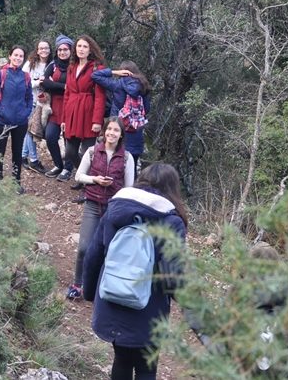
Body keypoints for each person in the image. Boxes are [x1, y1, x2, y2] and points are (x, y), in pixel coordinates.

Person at [82, 163, 188, 380]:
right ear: (172, 188)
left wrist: (90, 292)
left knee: (121, 359)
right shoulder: (171, 221)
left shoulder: (115, 209)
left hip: (111, 298)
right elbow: (172, 275)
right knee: (146, 367)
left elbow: (93, 253)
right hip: (148, 308)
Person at [67, 117, 135, 300]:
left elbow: (129, 189)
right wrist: (94, 180)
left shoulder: (127, 158)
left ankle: (100, 287)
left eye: (116, 130)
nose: (112, 133)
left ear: (121, 135)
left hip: (114, 210)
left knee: (108, 251)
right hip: (92, 204)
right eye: (109, 129)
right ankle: (77, 284)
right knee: (84, 248)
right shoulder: (91, 152)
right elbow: (79, 176)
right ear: (104, 131)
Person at [61, 36, 106, 191]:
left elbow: (100, 97)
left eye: (84, 46)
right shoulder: (71, 67)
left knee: (88, 153)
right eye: (79, 46)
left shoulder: (96, 68)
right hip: (72, 113)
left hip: (88, 114)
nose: (81, 49)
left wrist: (97, 121)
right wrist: (64, 119)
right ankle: (84, 177)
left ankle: (89, 186)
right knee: (70, 152)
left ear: (90, 49)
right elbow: (67, 94)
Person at [0, 45, 34, 194]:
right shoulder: (1, 73)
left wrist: (26, 113)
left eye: (21, 56)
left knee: (17, 152)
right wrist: (2, 112)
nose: (18, 58)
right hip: (1, 121)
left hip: (20, 122)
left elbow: (29, 97)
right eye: (15, 55)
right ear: (10, 56)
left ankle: (15, 183)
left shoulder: (26, 76)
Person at [92, 61, 151, 171]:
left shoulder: (117, 85)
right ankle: (131, 186)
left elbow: (95, 75)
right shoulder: (144, 86)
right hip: (136, 129)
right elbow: (146, 109)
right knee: (132, 165)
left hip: (118, 128)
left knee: (115, 162)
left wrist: (115, 72)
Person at [40, 35, 73, 179]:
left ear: (71, 50)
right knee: (50, 136)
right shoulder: (53, 65)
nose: (62, 52)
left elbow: (73, 88)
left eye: (65, 49)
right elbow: (44, 83)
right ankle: (58, 165)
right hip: (54, 107)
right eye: (60, 49)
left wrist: (56, 85)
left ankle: (68, 168)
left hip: (70, 107)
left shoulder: (75, 66)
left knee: (69, 139)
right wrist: (64, 86)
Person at [21, 40, 52, 174]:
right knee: (31, 131)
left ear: (50, 50)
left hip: (43, 103)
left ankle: (22, 156)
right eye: (41, 48)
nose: (44, 50)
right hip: (30, 100)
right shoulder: (30, 64)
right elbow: (22, 81)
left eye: (46, 48)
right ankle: (33, 159)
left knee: (31, 130)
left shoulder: (52, 65)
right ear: (37, 50)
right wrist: (37, 82)